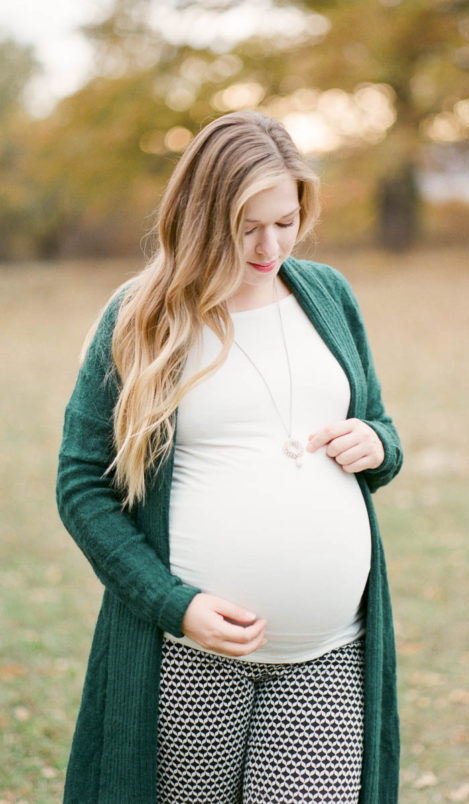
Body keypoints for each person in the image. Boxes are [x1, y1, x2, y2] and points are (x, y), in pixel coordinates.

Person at [56, 110, 403, 804]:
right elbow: (82, 484)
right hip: (187, 656)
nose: (270, 245)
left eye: (286, 220)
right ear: (201, 216)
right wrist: (173, 605)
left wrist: (377, 445)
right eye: (247, 227)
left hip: (327, 652)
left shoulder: (328, 295)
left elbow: (379, 426)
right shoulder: (143, 318)